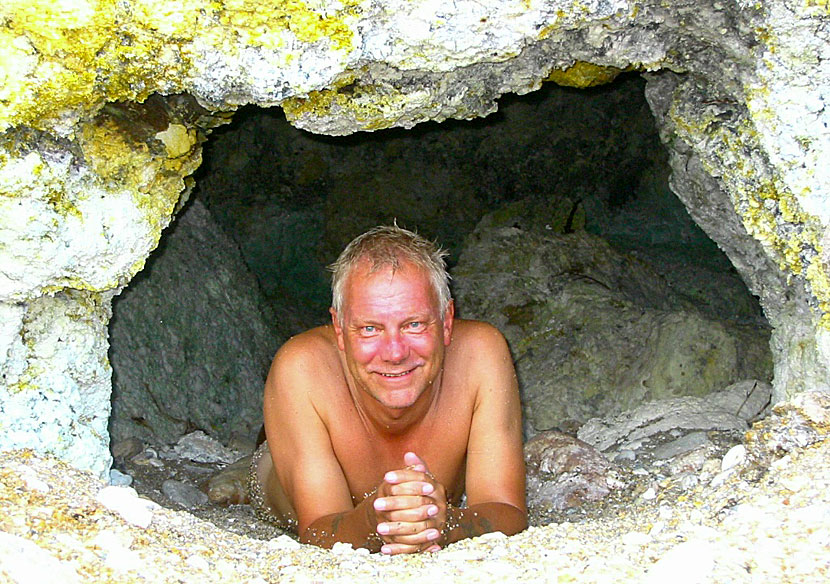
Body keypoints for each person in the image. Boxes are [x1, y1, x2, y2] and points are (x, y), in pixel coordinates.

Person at [211, 224, 527, 554]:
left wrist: (446, 523)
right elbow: (318, 530)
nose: (394, 353)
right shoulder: (302, 367)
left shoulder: (481, 353)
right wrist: (375, 521)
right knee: (268, 460)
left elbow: (506, 511)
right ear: (339, 329)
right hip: (283, 469)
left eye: (414, 324)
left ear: (447, 322)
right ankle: (245, 464)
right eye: (370, 329)